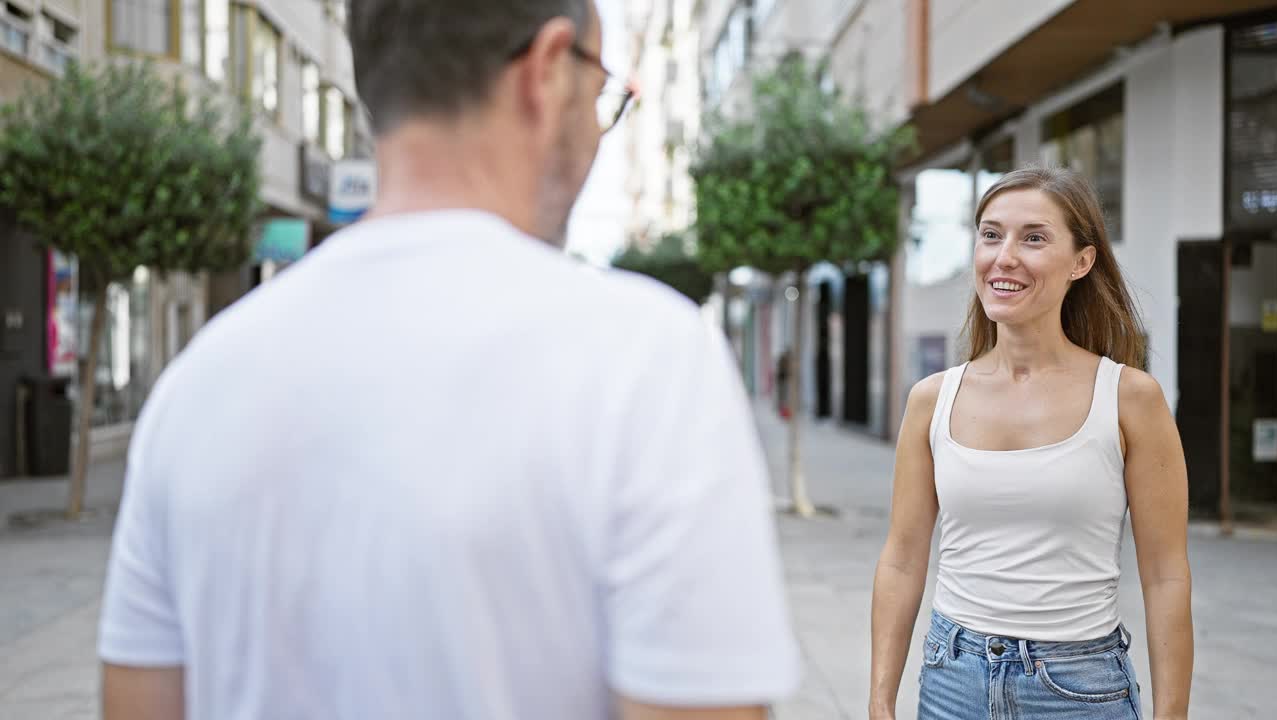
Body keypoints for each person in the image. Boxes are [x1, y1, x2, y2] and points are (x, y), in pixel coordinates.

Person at [98, 2, 800, 719]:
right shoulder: (649, 364)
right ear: (549, 70)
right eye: (600, 98)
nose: (596, 129)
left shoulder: (194, 388)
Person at [868, 166, 1193, 720]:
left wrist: (1172, 715)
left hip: (1078, 688)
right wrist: (880, 701)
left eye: (1034, 238)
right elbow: (902, 559)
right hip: (952, 683)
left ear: (1081, 262)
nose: (1004, 256)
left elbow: (1166, 575)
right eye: (991, 234)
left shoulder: (1129, 399)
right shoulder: (931, 400)